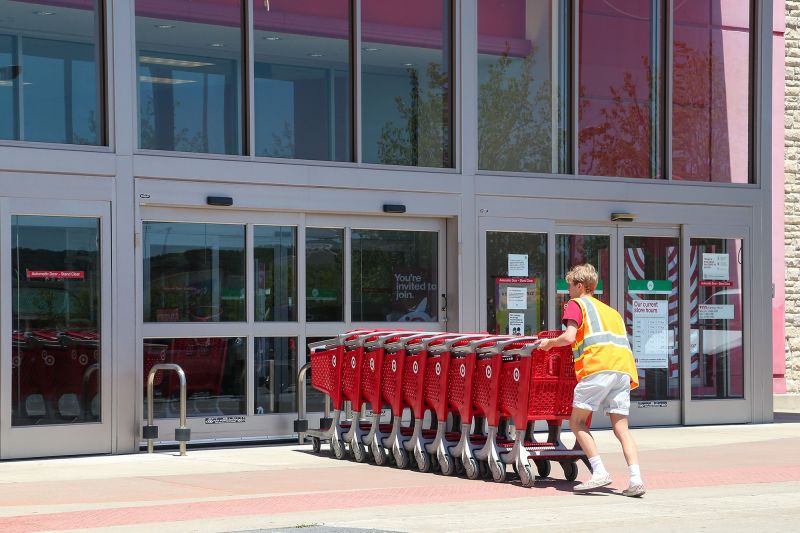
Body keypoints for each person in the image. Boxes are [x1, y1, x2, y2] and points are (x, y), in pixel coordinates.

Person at [537, 264, 645, 497]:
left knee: (577, 423)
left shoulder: (576, 305)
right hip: (623, 369)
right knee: (621, 428)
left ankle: (599, 471)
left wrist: (549, 344)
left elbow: (568, 337)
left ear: (579, 286)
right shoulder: (611, 312)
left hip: (597, 367)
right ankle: (636, 479)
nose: (568, 291)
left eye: (570, 286)